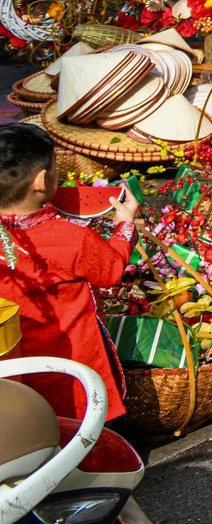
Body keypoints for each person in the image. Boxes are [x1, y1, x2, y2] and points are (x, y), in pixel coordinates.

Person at [0, 123, 139, 421]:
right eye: (54, 169)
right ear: (41, 181)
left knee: (36, 426)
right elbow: (111, 270)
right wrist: (124, 225)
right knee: (83, 426)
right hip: (72, 357)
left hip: (14, 361)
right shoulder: (71, 237)